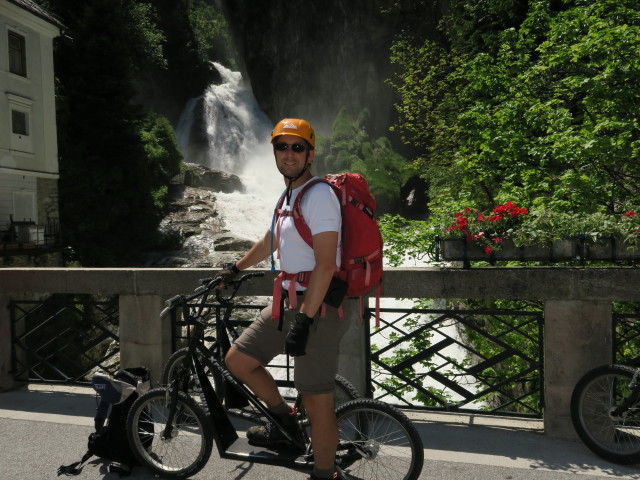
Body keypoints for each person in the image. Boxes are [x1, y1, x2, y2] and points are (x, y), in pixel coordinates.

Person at [219, 118, 347, 480]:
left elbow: (325, 266)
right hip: (287, 303)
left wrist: (304, 321)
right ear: (273, 150)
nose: (288, 154)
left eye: (297, 147)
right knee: (238, 360)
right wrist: (234, 268)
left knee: (318, 400)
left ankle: (325, 474)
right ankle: (287, 425)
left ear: (310, 154)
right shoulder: (288, 195)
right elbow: (270, 241)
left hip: (317, 307)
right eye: (281, 146)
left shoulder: (320, 196)